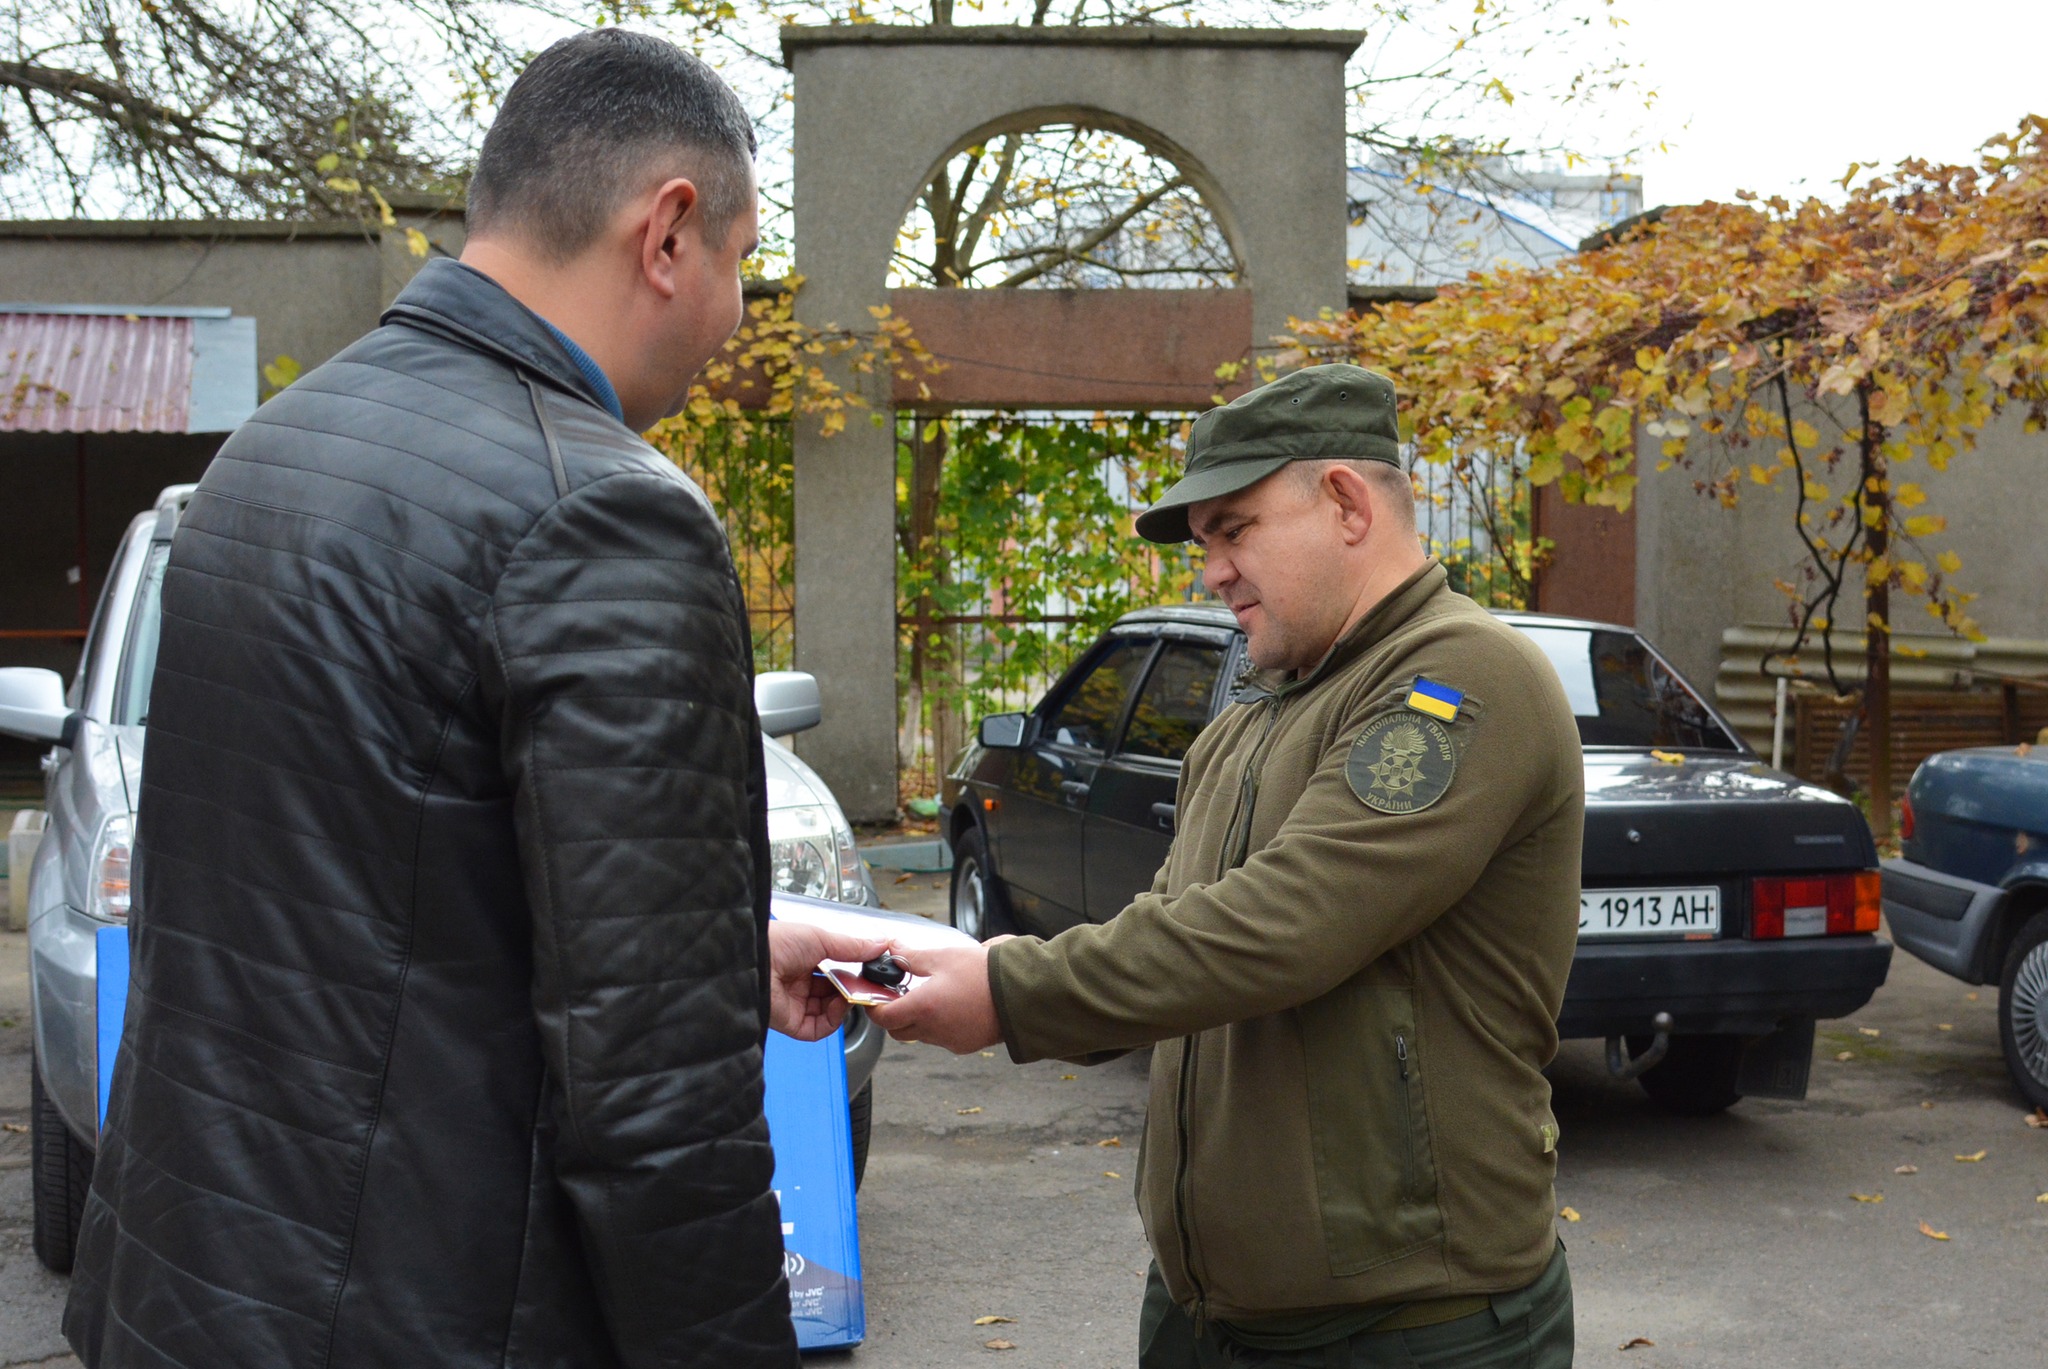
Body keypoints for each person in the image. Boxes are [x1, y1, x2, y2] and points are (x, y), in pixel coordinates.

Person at [63, 29, 884, 1369]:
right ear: (667, 233)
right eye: (741, 265)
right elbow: (660, 1109)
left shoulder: (272, 451)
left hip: (190, 1295)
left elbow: (356, 900)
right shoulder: (602, 511)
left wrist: (718, 944)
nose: (739, 315)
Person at [868, 364, 1586, 1368]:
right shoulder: (1262, 706)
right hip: (1212, 1310)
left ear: (1342, 501)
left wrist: (1004, 990)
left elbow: (1284, 926)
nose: (1210, 571)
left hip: (1410, 1325)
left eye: (1233, 529)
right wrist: (960, 966)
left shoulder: (1456, 679)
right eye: (1203, 542)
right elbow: (1174, 928)